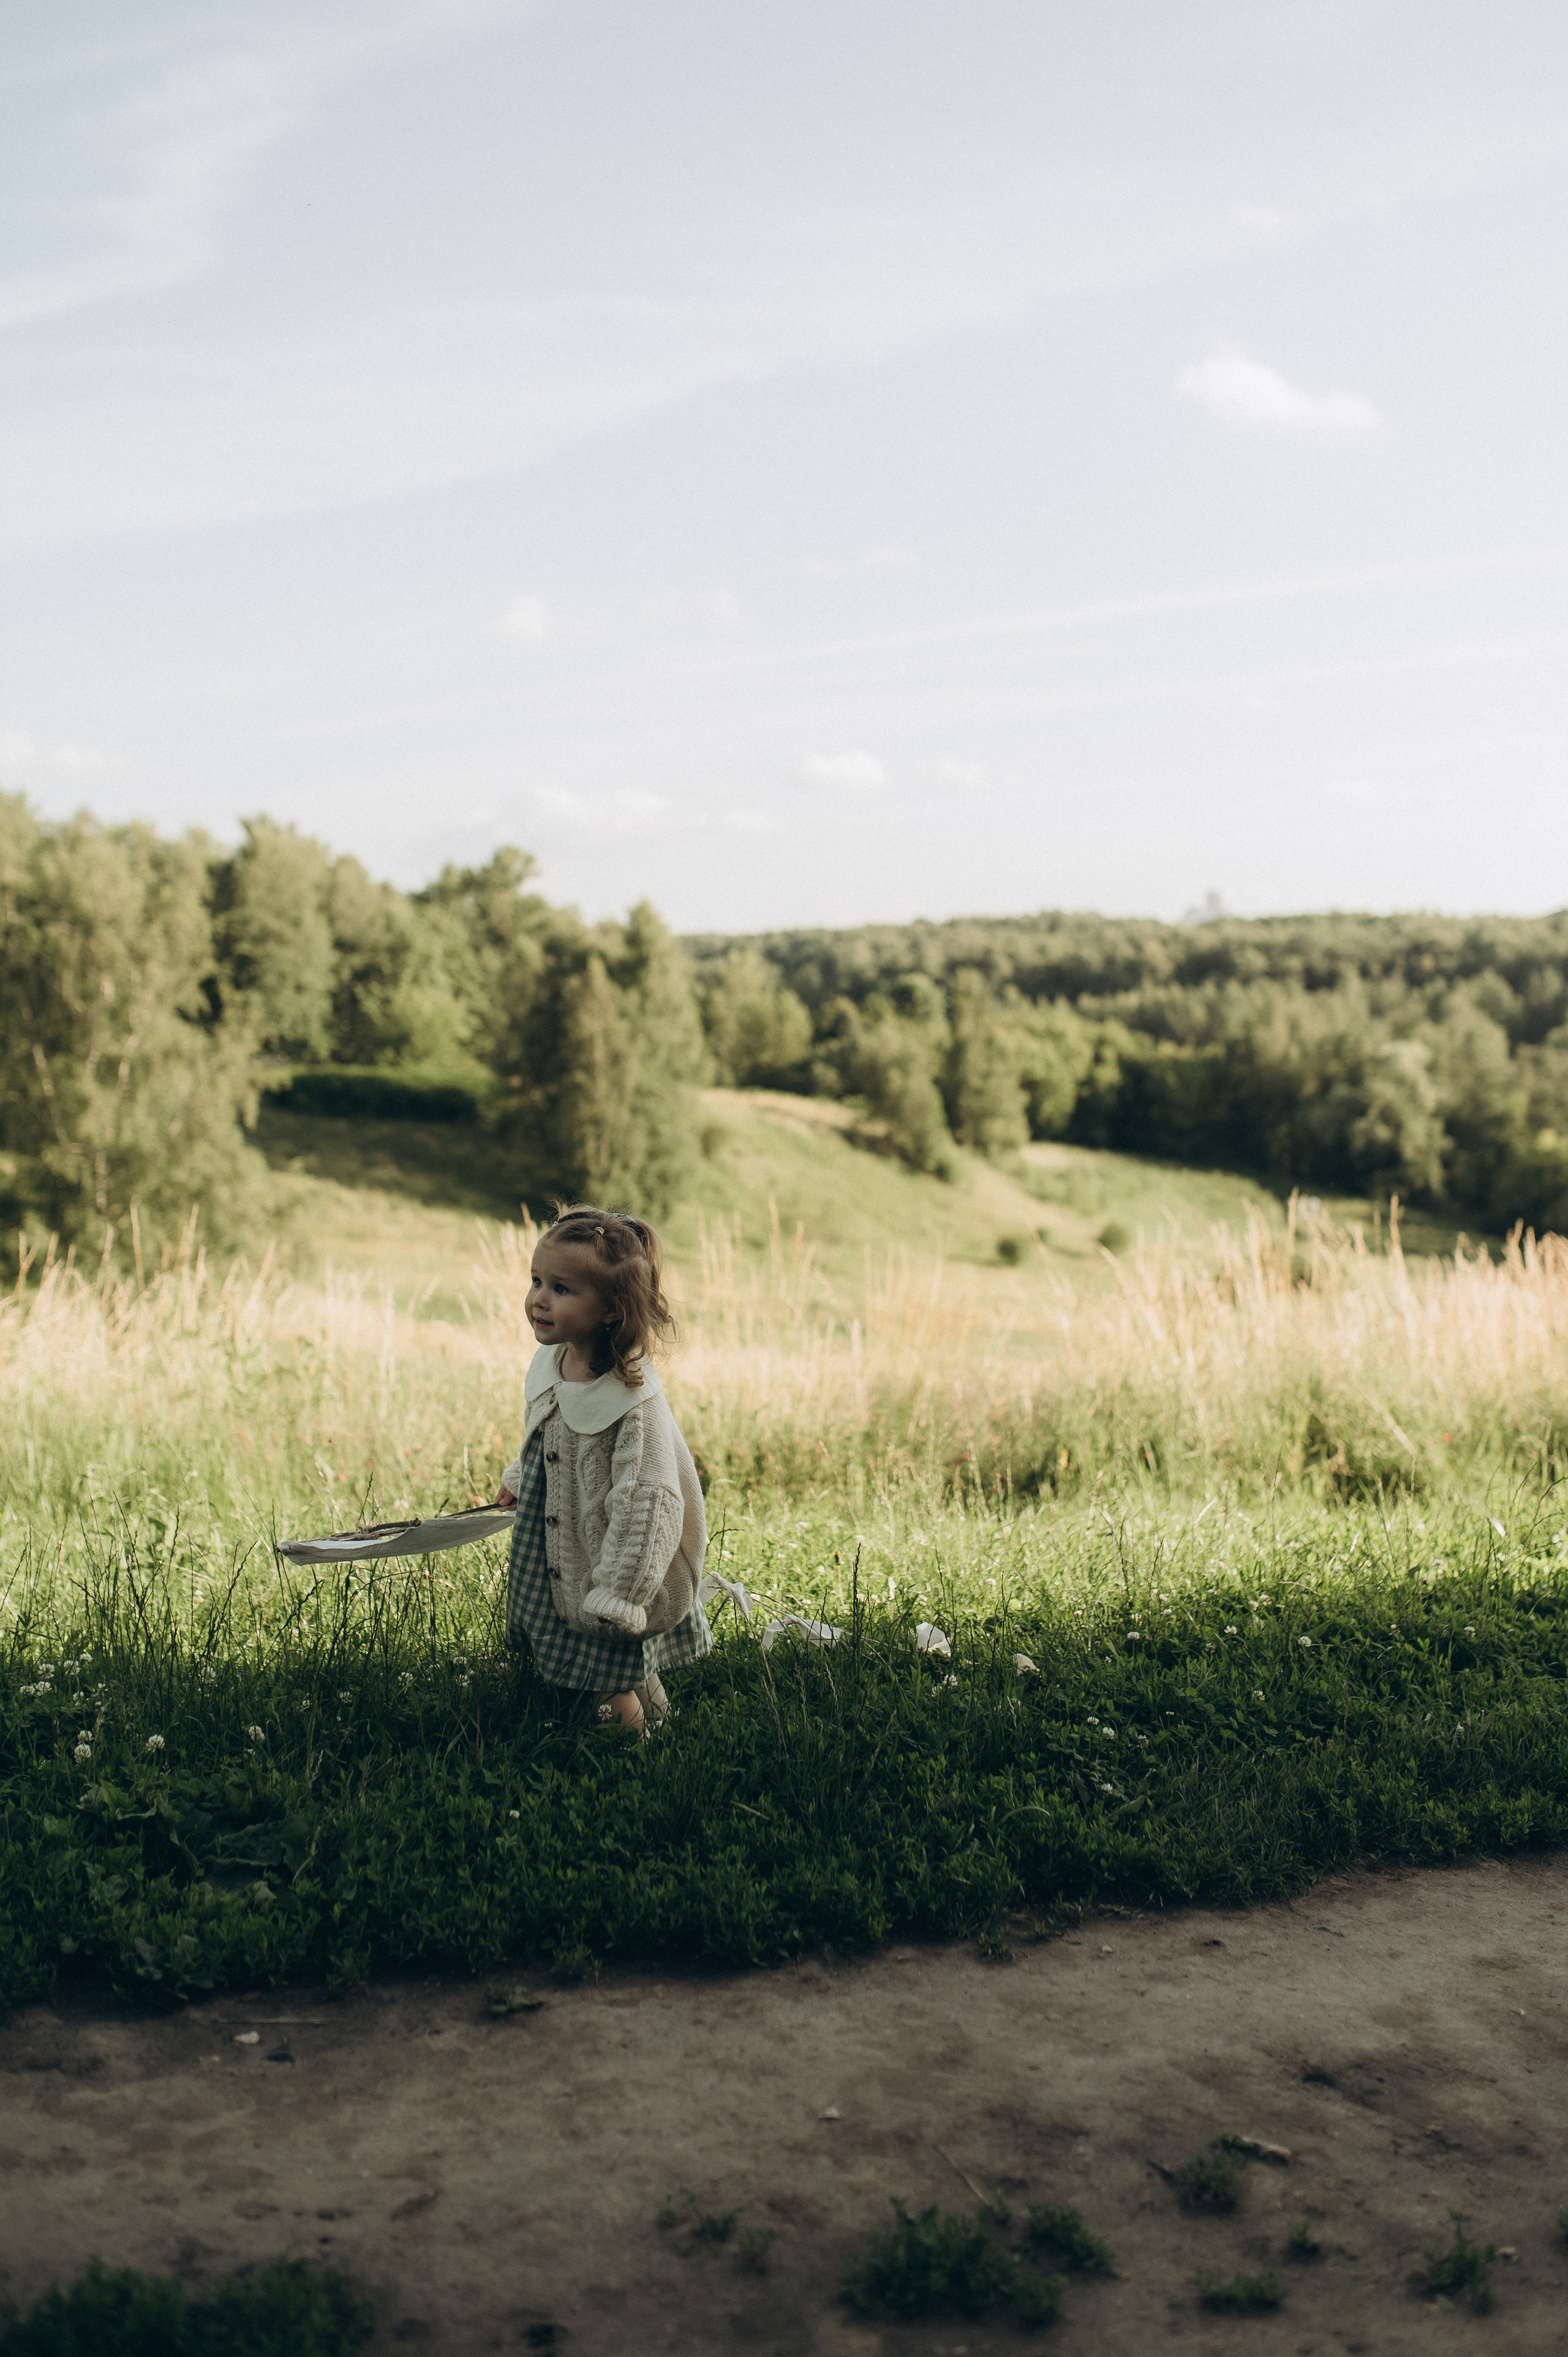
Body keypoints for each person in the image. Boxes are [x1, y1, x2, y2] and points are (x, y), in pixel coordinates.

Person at [495, 1205, 710, 1731]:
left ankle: (627, 1763)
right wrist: (520, 1481)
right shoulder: (554, 1362)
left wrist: (619, 1596)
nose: (539, 1300)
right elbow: (547, 1439)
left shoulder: (629, 1401)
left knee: (609, 1680)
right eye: (537, 1281)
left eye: (562, 1290)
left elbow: (649, 1504)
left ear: (613, 1308)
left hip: (615, 1565)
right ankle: (662, 1727)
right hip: (568, 1548)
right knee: (622, 1669)